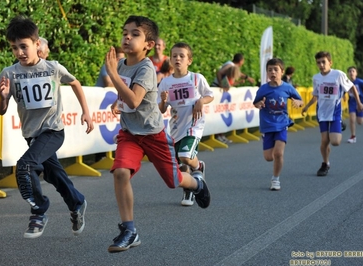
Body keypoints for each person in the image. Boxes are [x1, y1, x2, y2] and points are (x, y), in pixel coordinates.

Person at [104, 15, 211, 253]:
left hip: (153, 134)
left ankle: (197, 184)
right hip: (130, 133)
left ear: (149, 45)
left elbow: (134, 98)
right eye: (124, 32)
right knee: (120, 172)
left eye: (134, 34)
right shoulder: (121, 66)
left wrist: (112, 75)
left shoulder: (146, 69)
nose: (127, 37)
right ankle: (129, 230)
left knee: (174, 181)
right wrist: (116, 102)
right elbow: (126, 98)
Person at [0, 15, 94, 239]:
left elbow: (75, 82)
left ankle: (38, 212)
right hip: (32, 135)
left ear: (37, 44)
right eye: (14, 48)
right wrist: (5, 98)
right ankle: (77, 203)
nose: (20, 52)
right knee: (54, 174)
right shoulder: (9, 74)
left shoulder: (53, 67)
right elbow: (0, 109)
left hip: (53, 131)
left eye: (24, 46)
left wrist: (86, 112)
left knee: (25, 166)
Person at [158, 42, 214, 206]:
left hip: (193, 125)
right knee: (181, 165)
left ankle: (199, 166)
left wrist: (201, 101)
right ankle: (189, 192)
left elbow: (210, 95)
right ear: (170, 59)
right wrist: (162, 101)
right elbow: (162, 109)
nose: (177, 59)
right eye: (174, 56)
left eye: (182, 56)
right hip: (176, 127)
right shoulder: (166, 82)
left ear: (189, 60)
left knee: (185, 156)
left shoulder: (196, 78)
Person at [301, 51, 363, 176]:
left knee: (335, 142)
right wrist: (306, 107)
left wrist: (358, 103)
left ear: (330, 62)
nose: (321, 65)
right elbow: (315, 96)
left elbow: (352, 87)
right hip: (322, 113)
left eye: (323, 62)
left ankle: (339, 124)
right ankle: (325, 164)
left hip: (335, 112)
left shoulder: (338, 74)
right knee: (324, 140)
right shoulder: (316, 78)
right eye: (318, 63)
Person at [253, 58, 303, 191]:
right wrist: (259, 104)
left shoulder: (287, 87)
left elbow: (299, 100)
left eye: (276, 69)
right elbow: (256, 103)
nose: (273, 72)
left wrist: (298, 103)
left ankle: (276, 179)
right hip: (267, 125)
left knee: (279, 153)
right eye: (270, 70)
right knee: (269, 157)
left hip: (282, 124)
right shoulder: (263, 89)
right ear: (267, 73)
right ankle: (274, 172)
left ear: (282, 71)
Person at [211, 53, 255, 144]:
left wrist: (243, 79)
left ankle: (221, 135)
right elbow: (219, 72)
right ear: (241, 61)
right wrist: (222, 85)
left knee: (222, 112)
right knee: (219, 113)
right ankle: (218, 135)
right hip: (217, 88)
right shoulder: (229, 65)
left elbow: (236, 75)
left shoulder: (232, 67)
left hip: (221, 88)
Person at [94, 46, 125, 162]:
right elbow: (108, 83)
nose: (120, 61)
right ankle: (99, 156)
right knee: (100, 127)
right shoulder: (106, 67)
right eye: (118, 58)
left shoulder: (123, 69)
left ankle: (114, 153)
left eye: (122, 59)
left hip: (113, 102)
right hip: (100, 103)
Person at [346, 66, 363, 143]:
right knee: (352, 119)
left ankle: (361, 113)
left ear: (356, 73)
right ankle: (353, 136)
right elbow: (343, 90)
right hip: (352, 103)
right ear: (348, 73)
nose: (351, 73)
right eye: (350, 71)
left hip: (361, 102)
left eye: (353, 71)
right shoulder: (347, 83)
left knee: (360, 122)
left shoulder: (360, 82)